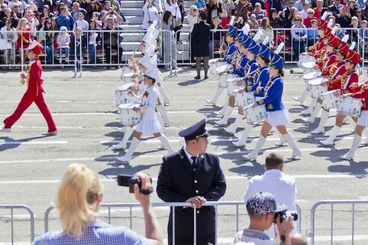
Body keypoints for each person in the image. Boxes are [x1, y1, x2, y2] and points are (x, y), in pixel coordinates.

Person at [34, 164, 163, 244]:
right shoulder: (122, 238)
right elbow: (157, 243)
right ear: (98, 199)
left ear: (62, 200)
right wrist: (146, 203)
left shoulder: (44, 242)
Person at [157, 119, 227, 245]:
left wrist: (205, 199)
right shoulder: (171, 161)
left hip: (206, 224)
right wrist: (184, 201)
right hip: (181, 225)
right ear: (194, 142)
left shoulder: (212, 160)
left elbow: (220, 185)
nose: (208, 143)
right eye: (205, 140)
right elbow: (162, 189)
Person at [244, 51, 301, 161]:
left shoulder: (278, 81)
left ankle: (295, 149)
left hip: (275, 111)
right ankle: (254, 153)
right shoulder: (273, 80)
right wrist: (261, 89)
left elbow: (271, 98)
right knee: (267, 132)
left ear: (276, 69)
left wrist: (257, 103)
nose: (269, 70)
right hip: (272, 111)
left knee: (282, 132)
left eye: (271, 68)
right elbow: (268, 93)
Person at [0, 40, 58, 135]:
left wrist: (38, 80)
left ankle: (8, 125)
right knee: (44, 109)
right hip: (36, 89)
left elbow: (37, 78)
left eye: (29, 51)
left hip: (33, 90)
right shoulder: (34, 62)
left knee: (20, 108)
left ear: (33, 53)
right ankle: (52, 128)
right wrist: (26, 77)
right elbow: (33, 76)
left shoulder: (35, 64)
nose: (27, 52)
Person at [116, 66, 174, 163]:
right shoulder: (149, 89)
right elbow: (142, 99)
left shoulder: (153, 91)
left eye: (146, 78)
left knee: (154, 134)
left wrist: (139, 108)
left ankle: (128, 156)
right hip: (146, 116)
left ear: (151, 80)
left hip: (149, 117)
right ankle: (128, 156)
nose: (144, 80)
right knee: (143, 134)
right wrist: (133, 95)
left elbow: (151, 106)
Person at [191, 11, 211, 79]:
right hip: (205, 44)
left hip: (197, 44)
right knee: (205, 61)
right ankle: (206, 75)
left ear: (200, 17)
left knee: (198, 61)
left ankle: (198, 75)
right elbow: (209, 35)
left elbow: (193, 35)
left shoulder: (196, 25)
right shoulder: (208, 26)